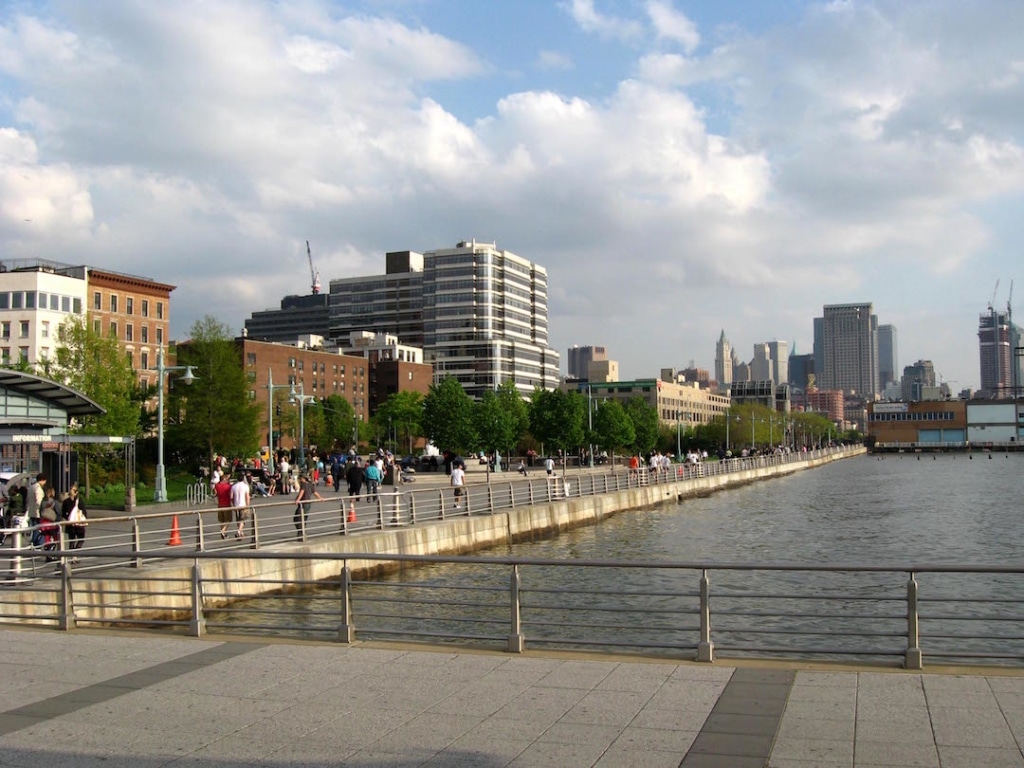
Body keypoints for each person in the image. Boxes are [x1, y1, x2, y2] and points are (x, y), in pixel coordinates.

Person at [60, 484, 87, 562]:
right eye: (72, 489)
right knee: (73, 540)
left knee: (79, 539)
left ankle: (74, 554)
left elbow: (84, 512)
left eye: (73, 490)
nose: (72, 491)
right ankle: (73, 555)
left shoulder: (78, 501)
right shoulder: (68, 502)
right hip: (73, 524)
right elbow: (63, 512)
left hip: (76, 523)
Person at [293, 474, 324, 538]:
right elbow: (315, 493)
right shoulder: (310, 484)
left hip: (303, 503)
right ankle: (302, 532)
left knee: (297, 519)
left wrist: (297, 500)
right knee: (304, 518)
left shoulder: (303, 484)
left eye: (301, 478)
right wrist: (320, 498)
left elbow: (302, 492)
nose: (300, 479)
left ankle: (301, 532)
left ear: (304, 479)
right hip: (308, 503)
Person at [230, 475, 251, 539]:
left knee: (238, 519)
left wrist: (233, 504)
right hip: (243, 504)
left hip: (236, 504)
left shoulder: (233, 486)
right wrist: (247, 505)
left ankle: (241, 532)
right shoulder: (245, 486)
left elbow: (231, 497)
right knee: (243, 519)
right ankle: (239, 531)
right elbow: (247, 496)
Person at [214, 474, 234, 539]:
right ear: (224, 479)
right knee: (228, 519)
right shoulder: (228, 487)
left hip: (220, 504)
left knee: (221, 520)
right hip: (227, 504)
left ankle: (224, 533)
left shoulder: (217, 485)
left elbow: (215, 492)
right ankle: (223, 530)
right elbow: (231, 494)